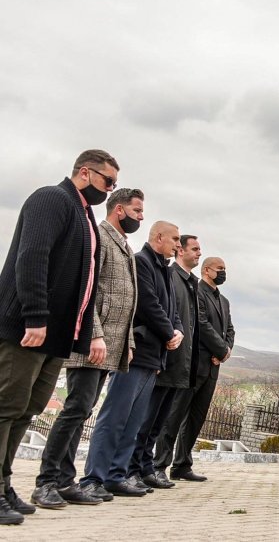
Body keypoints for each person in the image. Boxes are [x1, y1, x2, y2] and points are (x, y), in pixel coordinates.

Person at [0, 149, 118, 525]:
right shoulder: (52, 198)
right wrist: (35, 315)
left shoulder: (83, 213)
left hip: (55, 337)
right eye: (108, 182)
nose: (110, 190)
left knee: (26, 410)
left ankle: (4, 485)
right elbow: (32, 257)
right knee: (6, 408)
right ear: (85, 172)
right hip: (28, 327)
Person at [32, 188, 144, 509]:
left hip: (110, 346)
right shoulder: (100, 237)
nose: (141, 217)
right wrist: (94, 335)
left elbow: (128, 305)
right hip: (91, 343)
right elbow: (89, 291)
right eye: (137, 211)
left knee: (83, 412)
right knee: (74, 410)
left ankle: (65, 481)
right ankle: (47, 481)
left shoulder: (123, 244)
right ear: (119, 210)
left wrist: (128, 344)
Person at [79, 222, 183, 498]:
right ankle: (93, 478)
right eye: (175, 239)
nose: (178, 244)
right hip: (137, 352)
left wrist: (177, 331)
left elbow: (172, 310)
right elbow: (148, 305)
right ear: (158, 237)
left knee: (134, 422)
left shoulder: (165, 270)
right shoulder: (142, 262)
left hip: (154, 357)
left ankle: (117, 475)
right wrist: (168, 332)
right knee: (115, 417)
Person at [131, 235, 202, 489]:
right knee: (147, 419)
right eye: (194, 248)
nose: (199, 253)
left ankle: (147, 467)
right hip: (163, 357)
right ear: (180, 250)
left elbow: (181, 318)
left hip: (180, 360)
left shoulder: (192, 283)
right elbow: (157, 309)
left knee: (160, 421)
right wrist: (171, 335)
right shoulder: (170, 275)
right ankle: (137, 468)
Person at [159, 256, 234, 482]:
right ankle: (159, 464)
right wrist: (220, 350)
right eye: (220, 268)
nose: (223, 272)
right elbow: (201, 324)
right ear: (206, 270)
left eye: (225, 268)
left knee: (196, 418)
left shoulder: (224, 301)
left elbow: (229, 329)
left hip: (213, 368)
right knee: (176, 415)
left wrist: (225, 350)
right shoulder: (197, 292)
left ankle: (182, 464)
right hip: (195, 363)